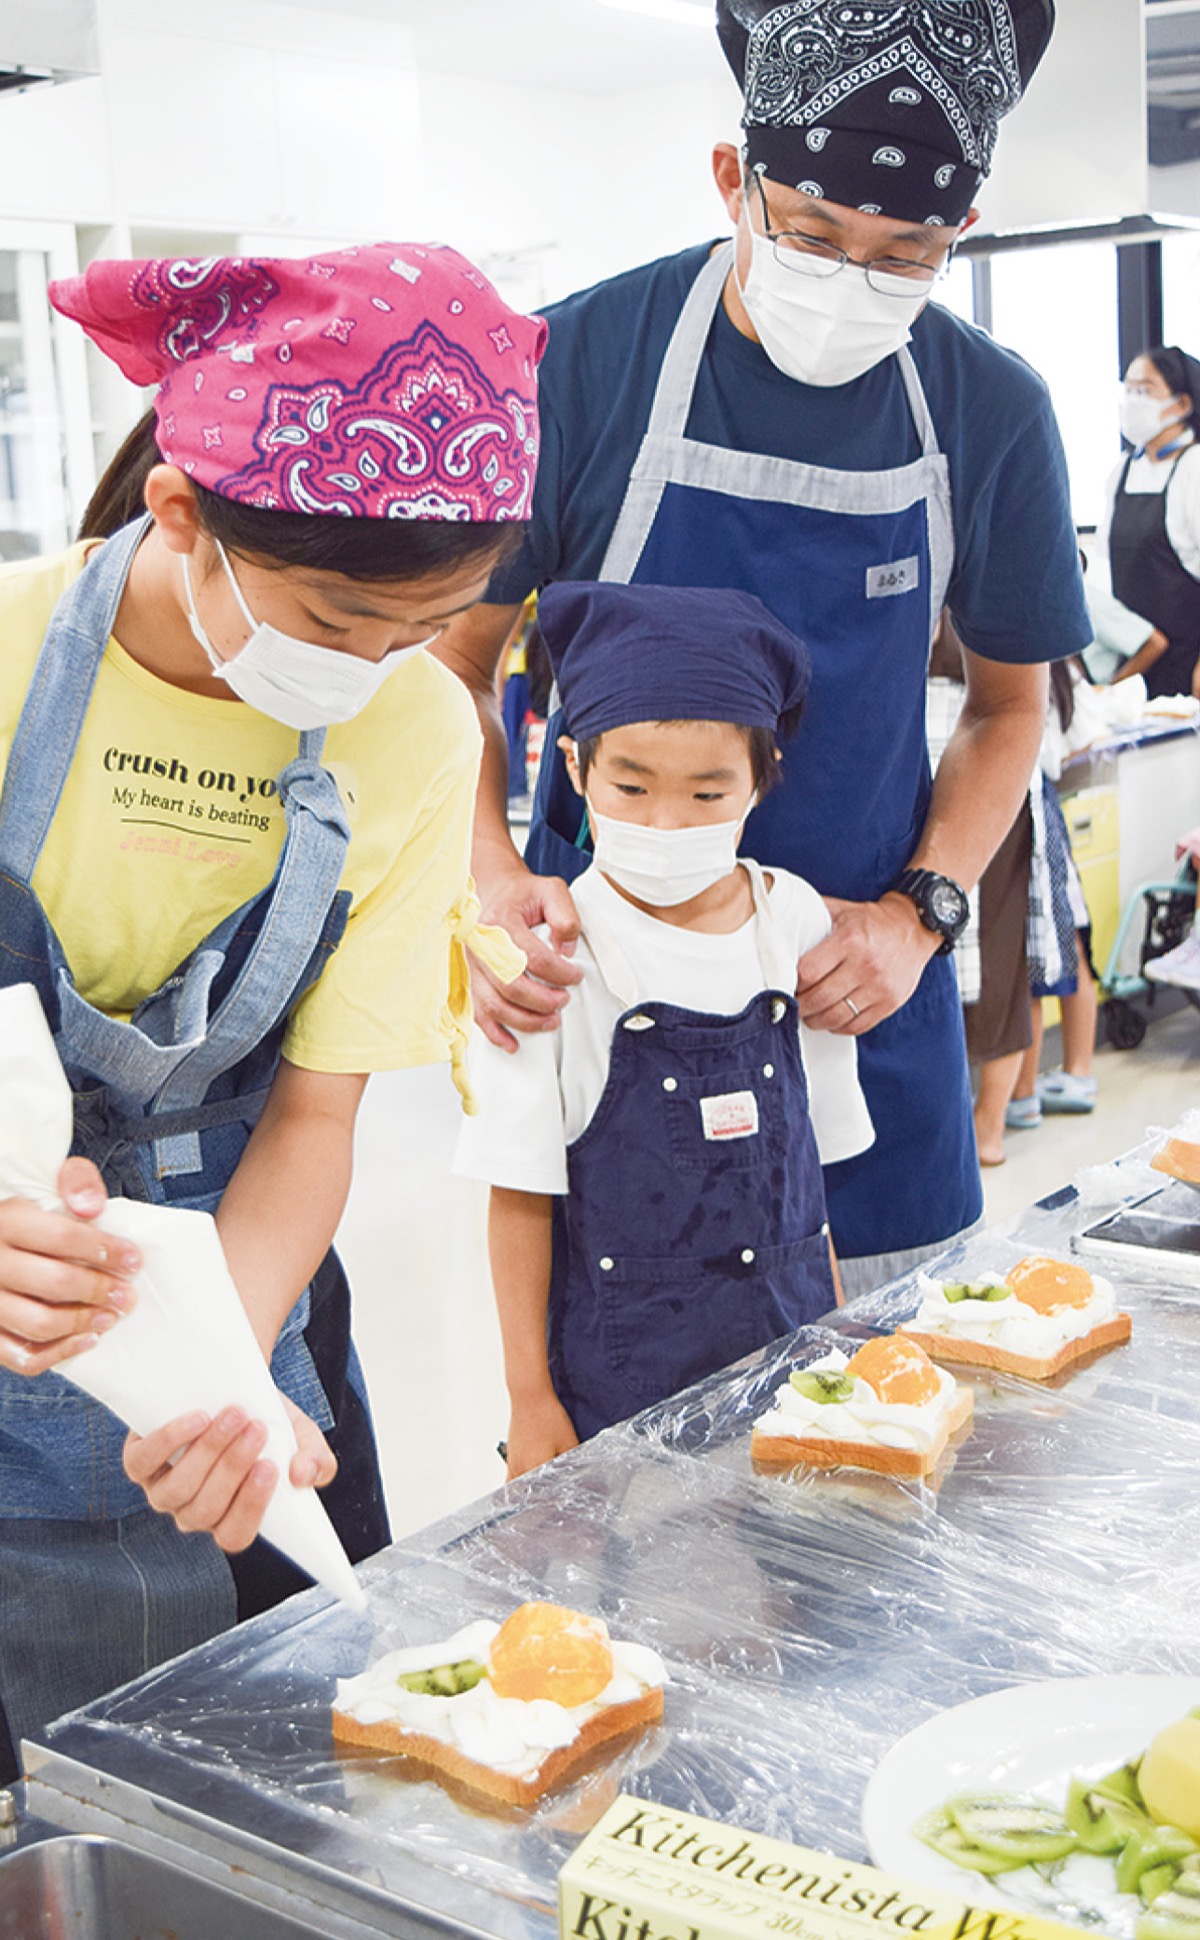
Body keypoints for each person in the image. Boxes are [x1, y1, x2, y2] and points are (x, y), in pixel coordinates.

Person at [435, 0, 1089, 1297]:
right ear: (735, 177)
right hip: (610, 994)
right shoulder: (576, 366)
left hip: (865, 993)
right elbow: (446, 669)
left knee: (900, 1370)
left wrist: (922, 914)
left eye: (905, 255)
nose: (851, 282)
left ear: (961, 230)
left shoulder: (990, 409)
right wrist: (490, 882)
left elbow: (1010, 706)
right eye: (812, 235)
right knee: (636, 1380)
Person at [0, 242, 544, 1779]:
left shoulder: (420, 733)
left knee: (278, 1767)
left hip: (245, 1274)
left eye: (419, 631)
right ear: (182, 512)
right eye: (337, 621)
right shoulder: (9, 647)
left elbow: (316, 1112)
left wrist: (216, 1389)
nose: (372, 674)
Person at [454, 582, 872, 1475]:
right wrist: (530, 1400)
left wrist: (837, 1340)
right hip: (619, 1391)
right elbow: (518, 1195)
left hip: (794, 1366)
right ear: (575, 768)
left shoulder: (792, 921)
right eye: (631, 786)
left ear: (762, 776)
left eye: (708, 791)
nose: (666, 822)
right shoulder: (548, 952)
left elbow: (813, 1180)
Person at [1098, 346, 1200, 700]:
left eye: (1144, 390)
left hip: (1189, 666)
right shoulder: (1122, 472)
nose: (1132, 400)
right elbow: (1104, 571)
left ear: (1182, 404)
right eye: (1127, 389)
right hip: (1134, 665)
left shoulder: (1194, 468)